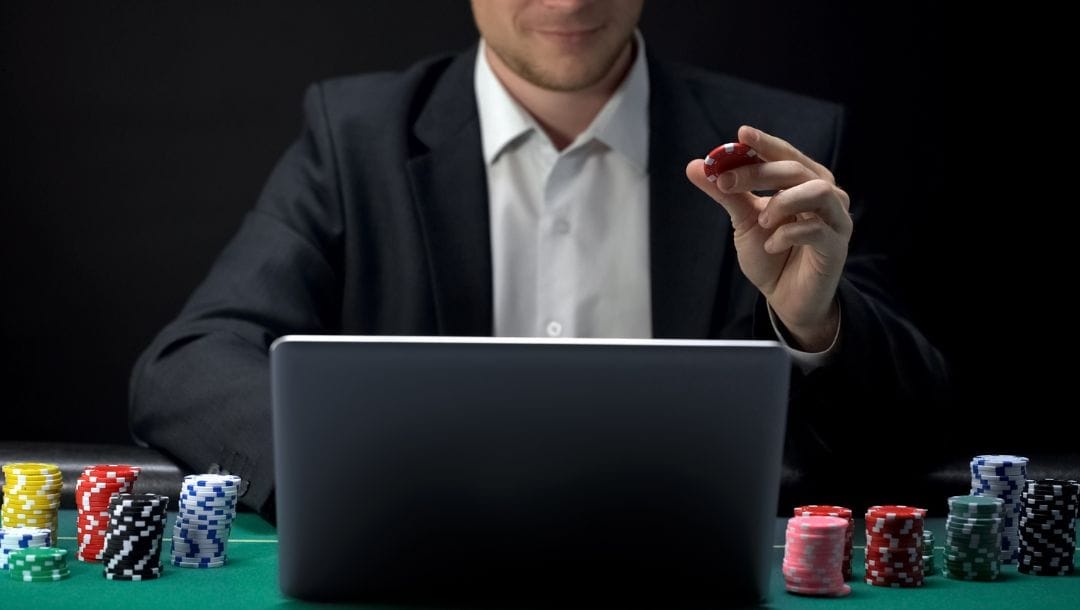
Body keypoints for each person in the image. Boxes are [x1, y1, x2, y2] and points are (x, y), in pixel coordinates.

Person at [130, 0, 948, 518]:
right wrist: (368, 480)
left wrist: (814, 324)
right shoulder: (355, 139)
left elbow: (920, 423)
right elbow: (189, 364)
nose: (568, 0)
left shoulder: (782, 145)